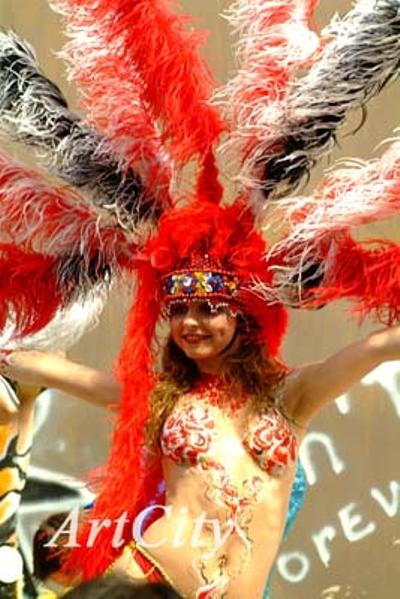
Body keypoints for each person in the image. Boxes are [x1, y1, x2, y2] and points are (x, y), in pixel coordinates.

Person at [0, 1, 400, 599]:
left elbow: (378, 348)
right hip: (147, 582)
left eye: (208, 310)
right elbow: (58, 371)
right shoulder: (164, 397)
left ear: (244, 317)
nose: (190, 322)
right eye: (180, 310)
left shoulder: (293, 397)